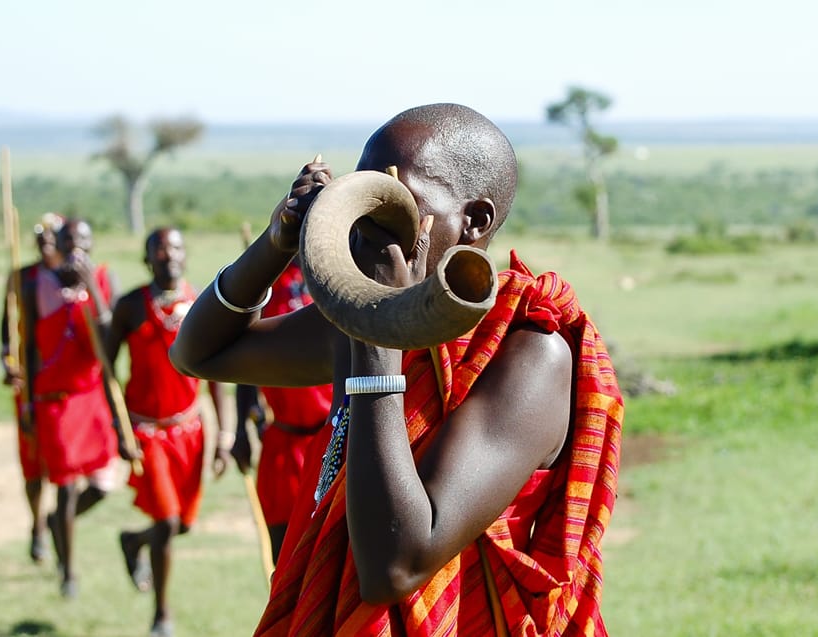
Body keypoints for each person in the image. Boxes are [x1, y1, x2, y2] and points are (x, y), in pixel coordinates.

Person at [170, 104, 624, 636]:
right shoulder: (359, 326)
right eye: (361, 194)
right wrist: (277, 244)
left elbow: (397, 564)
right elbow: (199, 354)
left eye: (393, 198)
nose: (364, 219)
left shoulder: (530, 350)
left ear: (472, 221)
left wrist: (375, 329)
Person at [104, 227, 231, 637]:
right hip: (146, 432)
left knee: (183, 524)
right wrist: (119, 428)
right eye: (158, 249)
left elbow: (217, 375)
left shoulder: (202, 304)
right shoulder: (129, 307)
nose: (167, 255)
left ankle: (132, 541)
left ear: (185, 255)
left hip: (189, 431)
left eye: (175, 247)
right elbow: (106, 372)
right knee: (167, 520)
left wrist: (225, 436)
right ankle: (162, 615)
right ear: (147, 259)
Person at [28, 217, 122, 598]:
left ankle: (55, 523)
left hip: (92, 396)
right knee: (65, 486)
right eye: (69, 241)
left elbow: (109, 336)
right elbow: (30, 346)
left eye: (83, 240)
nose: (76, 247)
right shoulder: (38, 283)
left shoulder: (102, 277)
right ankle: (68, 571)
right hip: (55, 399)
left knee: (102, 486)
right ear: (59, 244)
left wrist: (90, 291)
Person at [230, 258, 333, 563]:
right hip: (283, 443)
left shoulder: (339, 274)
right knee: (284, 558)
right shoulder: (263, 287)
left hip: (334, 441)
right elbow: (246, 361)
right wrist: (241, 429)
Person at [0, 212, 64, 564]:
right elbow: (5, 333)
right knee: (33, 463)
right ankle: (37, 523)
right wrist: (8, 364)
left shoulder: (70, 281)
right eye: (40, 236)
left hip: (62, 385)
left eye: (52, 236)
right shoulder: (22, 278)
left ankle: (57, 523)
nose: (45, 243)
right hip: (30, 384)